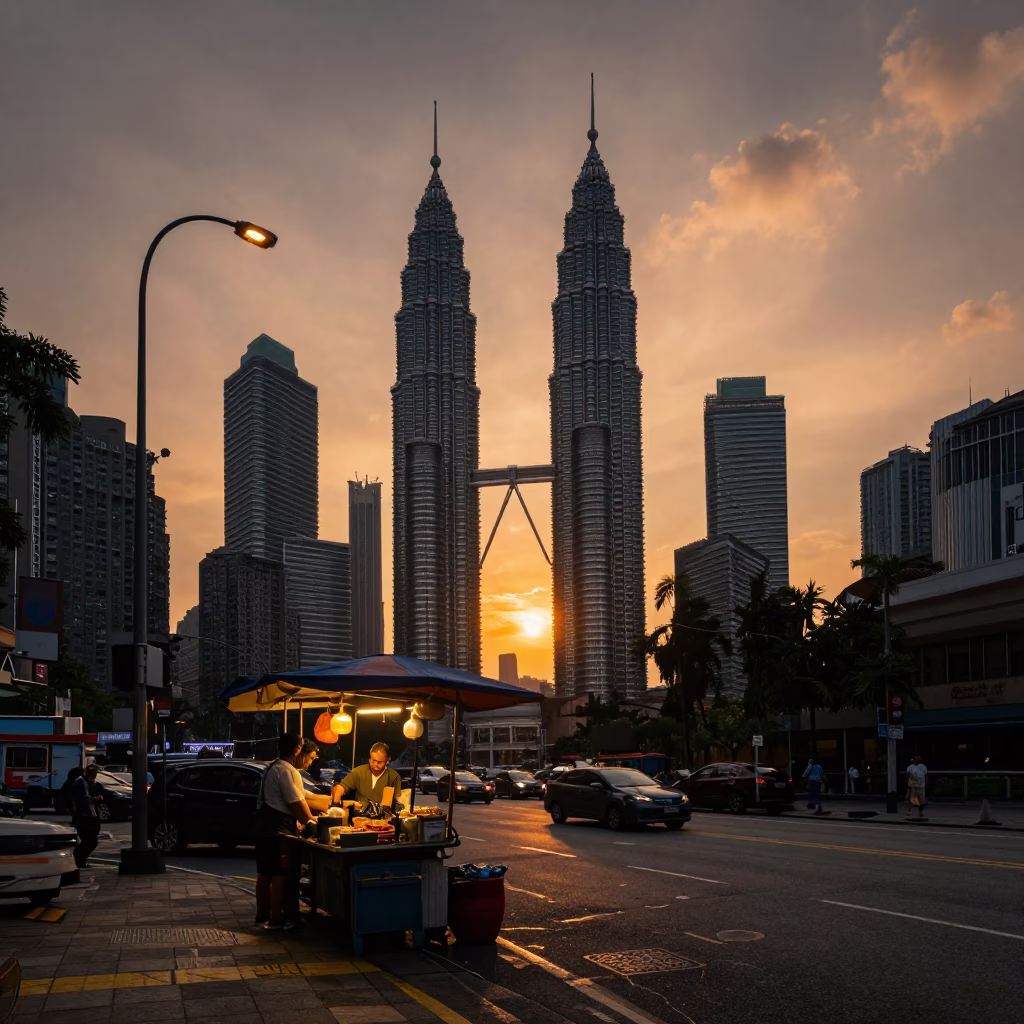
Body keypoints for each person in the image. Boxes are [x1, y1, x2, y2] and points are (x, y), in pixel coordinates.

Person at [254, 735, 318, 931]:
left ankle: (262, 914)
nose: (310, 762)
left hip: (263, 828)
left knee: (264, 873)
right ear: (298, 749)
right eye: (311, 758)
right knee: (280, 874)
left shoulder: (272, 767)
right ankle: (276, 919)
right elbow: (296, 803)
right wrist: (311, 821)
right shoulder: (287, 770)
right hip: (278, 830)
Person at [332, 742, 403, 813]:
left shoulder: (394, 776)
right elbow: (343, 786)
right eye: (373, 760)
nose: (375, 765)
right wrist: (337, 798)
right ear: (369, 758)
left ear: (387, 761)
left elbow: (397, 801)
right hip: (359, 817)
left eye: (379, 762)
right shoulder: (358, 772)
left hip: (383, 819)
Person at [71, 763, 102, 868]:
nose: (94, 774)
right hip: (83, 816)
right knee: (89, 841)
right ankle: (78, 861)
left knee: (90, 841)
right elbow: (80, 799)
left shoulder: (93, 783)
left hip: (91, 816)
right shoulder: (80, 782)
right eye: (92, 772)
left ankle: (80, 861)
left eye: (95, 772)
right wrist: (94, 799)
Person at [906, 754, 927, 819]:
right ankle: (910, 811)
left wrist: (926, 783)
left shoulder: (923, 767)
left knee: (921, 799)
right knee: (911, 798)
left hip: (921, 785)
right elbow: (908, 775)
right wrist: (908, 784)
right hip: (913, 785)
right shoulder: (910, 767)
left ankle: (921, 811)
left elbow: (926, 775)